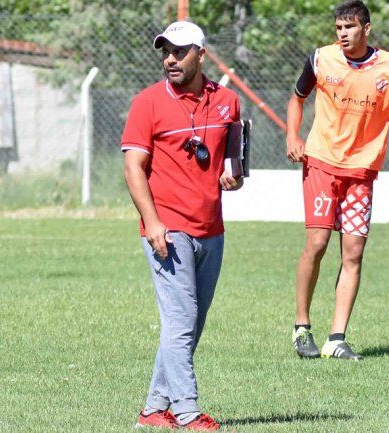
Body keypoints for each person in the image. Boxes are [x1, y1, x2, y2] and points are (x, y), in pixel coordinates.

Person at [121, 21, 243, 431]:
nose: (170, 59)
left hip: (212, 228)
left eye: (179, 51)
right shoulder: (147, 103)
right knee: (181, 319)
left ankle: (154, 409)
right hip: (168, 229)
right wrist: (152, 222)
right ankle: (187, 411)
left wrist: (234, 176)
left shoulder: (227, 101)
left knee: (191, 322)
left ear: (201, 55)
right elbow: (133, 168)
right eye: (166, 52)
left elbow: (234, 161)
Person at [286, 0, 389, 360]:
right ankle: (301, 327)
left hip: (361, 171)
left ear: (366, 29)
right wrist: (293, 136)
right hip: (322, 163)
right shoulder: (320, 59)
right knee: (317, 244)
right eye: (338, 28)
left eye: (350, 27)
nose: (342, 34)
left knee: (354, 252)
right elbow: (297, 99)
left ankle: (336, 338)